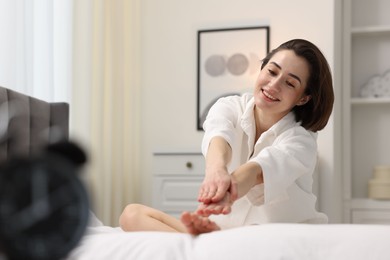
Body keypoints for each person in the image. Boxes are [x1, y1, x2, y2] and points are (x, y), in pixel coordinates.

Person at [119, 38, 334, 235]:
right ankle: (203, 243)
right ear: (261, 69)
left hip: (279, 236)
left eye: (290, 83)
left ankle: (201, 244)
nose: (274, 85)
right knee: (131, 215)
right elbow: (219, 136)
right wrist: (216, 171)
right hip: (222, 233)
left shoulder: (301, 140)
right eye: (272, 71)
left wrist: (227, 191)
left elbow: (257, 171)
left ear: (303, 98)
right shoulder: (230, 106)